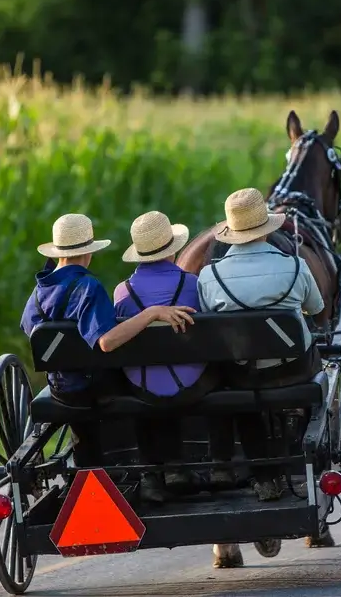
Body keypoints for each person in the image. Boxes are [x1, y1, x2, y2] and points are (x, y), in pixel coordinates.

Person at [20, 213, 196, 470]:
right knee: (134, 377)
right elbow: (106, 341)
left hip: (61, 387)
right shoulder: (87, 287)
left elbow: (29, 328)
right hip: (93, 387)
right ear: (88, 252)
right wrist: (151, 313)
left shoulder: (38, 292)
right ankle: (150, 468)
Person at [197, 188, 325, 502]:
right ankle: (299, 446)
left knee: (238, 387)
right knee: (320, 362)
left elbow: (207, 323)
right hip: (293, 370)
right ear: (268, 228)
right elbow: (317, 309)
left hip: (243, 374)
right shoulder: (295, 266)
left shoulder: (210, 276)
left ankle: (264, 478)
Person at [113, 210, 220, 503]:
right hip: (192, 385)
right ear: (172, 249)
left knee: (144, 382)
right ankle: (215, 462)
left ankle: (152, 475)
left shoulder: (123, 292)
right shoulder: (193, 284)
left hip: (142, 385)